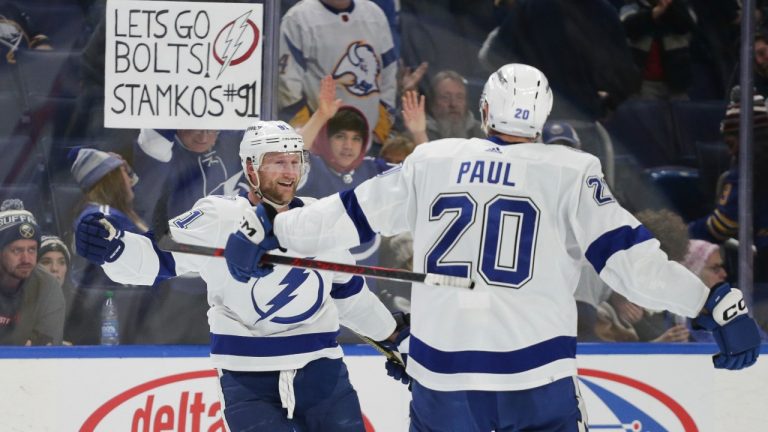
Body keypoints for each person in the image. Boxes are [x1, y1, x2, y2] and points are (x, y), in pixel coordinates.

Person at [230, 64, 761, 431]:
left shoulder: (433, 160)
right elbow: (630, 263)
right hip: (537, 377)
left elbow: (346, 216)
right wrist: (711, 302)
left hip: (444, 380)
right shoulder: (569, 170)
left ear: (484, 110)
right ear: (544, 114)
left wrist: (271, 229)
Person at [73, 120, 405, 431]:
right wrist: (114, 249)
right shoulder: (218, 216)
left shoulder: (319, 219)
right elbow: (157, 260)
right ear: (250, 168)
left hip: (321, 369)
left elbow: (348, 294)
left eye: (294, 162)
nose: (289, 172)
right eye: (277, 162)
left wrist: (394, 339)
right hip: (248, 376)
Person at [279, 0, 397, 148]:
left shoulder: (374, 14)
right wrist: (307, 133)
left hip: (368, 140)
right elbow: (287, 85)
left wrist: (380, 128)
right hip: (318, 144)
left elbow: (388, 72)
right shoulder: (298, 18)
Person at [69, 147, 148, 345]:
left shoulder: (108, 213)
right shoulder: (104, 217)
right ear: (111, 179)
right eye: (124, 172)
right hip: (110, 316)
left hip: (120, 310)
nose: (130, 179)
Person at [0, 199, 64, 345]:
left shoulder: (47, 285)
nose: (26, 259)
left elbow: (46, 350)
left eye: (32, 249)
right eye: (17, 250)